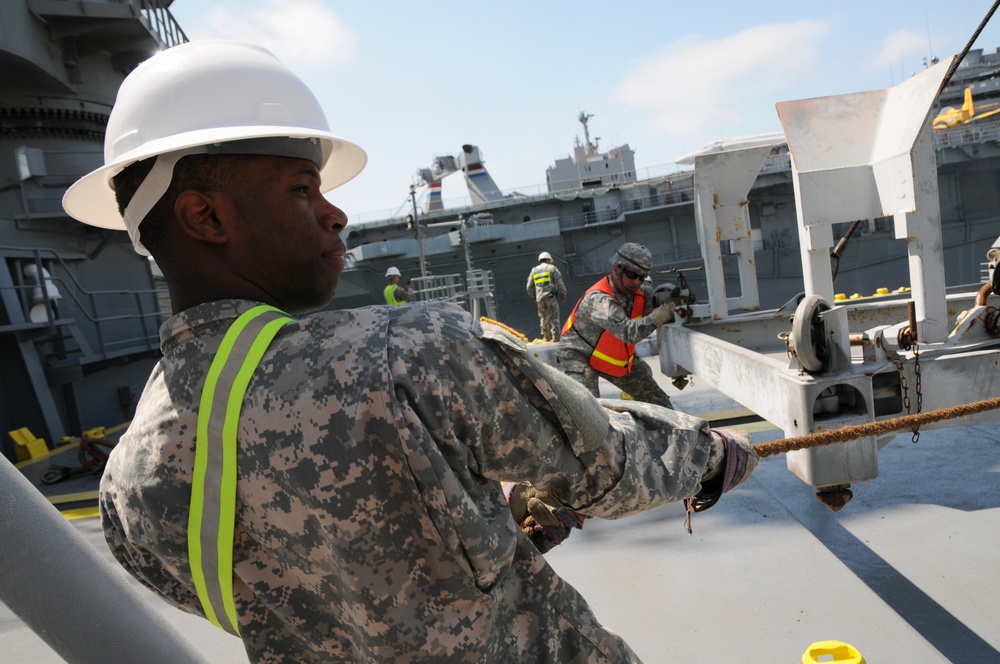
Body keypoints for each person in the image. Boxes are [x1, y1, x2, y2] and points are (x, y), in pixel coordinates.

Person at [65, 41, 757, 663]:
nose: (334, 214)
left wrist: (475, 527)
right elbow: (607, 464)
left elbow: (302, 594)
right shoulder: (407, 357)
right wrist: (710, 455)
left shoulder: (126, 489)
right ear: (205, 217)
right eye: (302, 189)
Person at [557, 242, 679, 409]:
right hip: (579, 355)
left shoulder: (639, 293)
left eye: (642, 277)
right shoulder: (600, 300)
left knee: (659, 402)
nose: (637, 281)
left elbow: (652, 309)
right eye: (632, 275)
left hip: (609, 353)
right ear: (616, 269)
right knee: (590, 413)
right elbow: (630, 333)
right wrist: (664, 312)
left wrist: (675, 303)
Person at [525, 251, 567, 342]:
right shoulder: (551, 268)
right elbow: (559, 281)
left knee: (543, 317)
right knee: (554, 317)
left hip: (540, 298)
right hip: (550, 297)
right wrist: (563, 293)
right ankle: (556, 337)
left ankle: (545, 336)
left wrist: (533, 296)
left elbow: (529, 286)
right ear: (548, 260)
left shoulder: (534, 270)